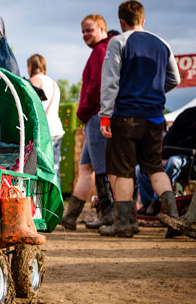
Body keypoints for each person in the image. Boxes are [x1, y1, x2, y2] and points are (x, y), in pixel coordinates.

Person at [98, 0, 181, 237]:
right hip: (155, 117)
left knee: (123, 170)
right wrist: (153, 92)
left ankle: (125, 224)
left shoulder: (118, 42)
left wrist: (105, 115)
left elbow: (111, 81)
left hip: (126, 116)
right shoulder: (163, 44)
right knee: (155, 168)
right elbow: (174, 79)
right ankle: (174, 218)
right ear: (143, 20)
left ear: (122, 21)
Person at [61, 14, 112, 231]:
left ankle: (109, 215)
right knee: (86, 166)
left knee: (100, 167)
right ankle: (70, 216)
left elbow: (97, 86)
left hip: (96, 115)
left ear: (102, 29)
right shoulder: (98, 52)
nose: (85, 35)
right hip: (92, 116)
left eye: (89, 30)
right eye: (83, 31)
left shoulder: (101, 51)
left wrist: (81, 111)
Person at [137, 95, 196, 216]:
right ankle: (146, 203)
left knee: (174, 162)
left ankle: (158, 201)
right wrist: (163, 156)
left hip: (192, 160)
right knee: (140, 168)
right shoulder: (188, 114)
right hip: (172, 153)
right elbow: (170, 137)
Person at [27, 54, 64, 183]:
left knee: (39, 167)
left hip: (44, 131)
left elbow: (31, 106)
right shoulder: (54, 83)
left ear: (30, 66)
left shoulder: (35, 80)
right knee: (54, 168)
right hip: (57, 129)